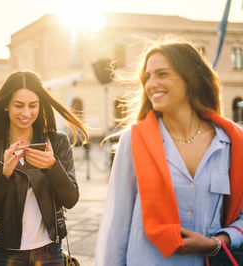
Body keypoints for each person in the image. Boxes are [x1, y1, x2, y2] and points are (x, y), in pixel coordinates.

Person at [95, 40, 243, 265]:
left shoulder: (232, 142)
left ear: (190, 77)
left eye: (162, 74)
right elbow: (116, 228)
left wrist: (218, 242)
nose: (151, 84)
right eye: (148, 77)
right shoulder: (133, 140)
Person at [0, 70, 88, 265]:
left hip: (50, 253)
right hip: (3, 254)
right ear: (6, 105)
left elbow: (71, 199)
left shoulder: (57, 142)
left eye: (33, 105)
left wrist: (52, 167)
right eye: (19, 105)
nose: (26, 113)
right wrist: (3, 174)